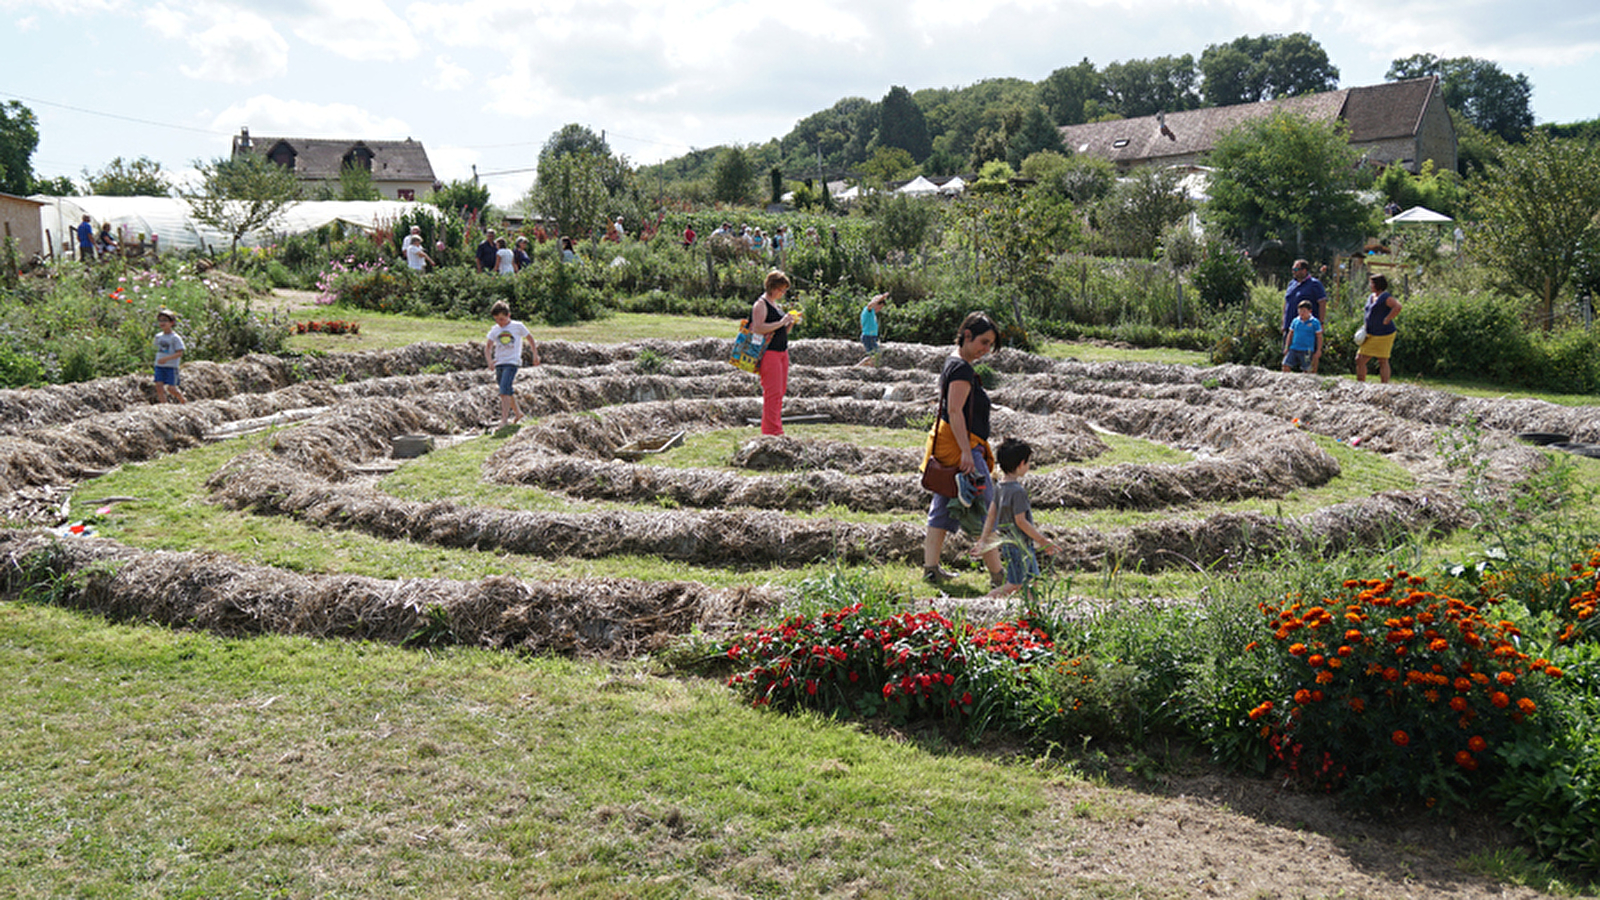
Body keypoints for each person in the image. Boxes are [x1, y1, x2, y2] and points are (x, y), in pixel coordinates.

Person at [922, 311, 1004, 587]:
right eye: (983, 342)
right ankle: (998, 576)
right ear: (966, 335)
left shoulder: (955, 363)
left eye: (990, 345)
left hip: (953, 446)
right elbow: (955, 411)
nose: (986, 349)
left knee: (943, 505)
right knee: (986, 509)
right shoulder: (961, 370)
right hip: (962, 449)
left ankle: (931, 569)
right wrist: (967, 454)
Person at [978, 438, 1058, 599]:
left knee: (1032, 582)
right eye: (1028, 463)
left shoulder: (1000, 486)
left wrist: (983, 539)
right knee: (1014, 585)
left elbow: (991, 514)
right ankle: (983, 602)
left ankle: (1033, 613)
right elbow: (1021, 521)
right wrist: (1043, 540)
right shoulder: (1017, 491)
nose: (1029, 466)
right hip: (1019, 546)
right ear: (1021, 464)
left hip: (1011, 544)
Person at [748, 269, 796, 436]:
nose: (783, 293)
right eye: (781, 289)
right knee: (772, 393)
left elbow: (778, 330)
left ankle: (777, 428)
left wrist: (788, 324)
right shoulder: (760, 304)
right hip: (770, 354)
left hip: (782, 352)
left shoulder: (775, 304)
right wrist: (781, 321)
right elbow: (758, 328)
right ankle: (770, 431)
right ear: (773, 287)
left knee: (780, 392)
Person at [484, 300, 540, 428]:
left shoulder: (517, 326)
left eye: (502, 319)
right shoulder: (495, 329)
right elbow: (488, 347)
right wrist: (489, 361)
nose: (499, 322)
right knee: (506, 389)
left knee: (503, 390)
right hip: (499, 363)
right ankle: (518, 413)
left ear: (508, 315)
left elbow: (530, 338)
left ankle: (504, 420)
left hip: (512, 362)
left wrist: (535, 355)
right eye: (496, 319)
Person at [1355, 274, 1401, 384]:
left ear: (1378, 284)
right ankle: (1360, 385)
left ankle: (1384, 385)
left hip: (1385, 334)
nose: (1370, 285)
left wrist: (1388, 318)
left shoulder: (1386, 297)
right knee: (1359, 359)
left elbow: (1398, 306)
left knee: (1382, 360)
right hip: (1371, 333)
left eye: (1372, 283)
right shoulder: (1371, 296)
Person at [1282, 259, 1327, 339]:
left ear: (1304, 270)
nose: (1293, 271)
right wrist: (1283, 322)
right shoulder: (1291, 284)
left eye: (1296, 269)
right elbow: (1286, 303)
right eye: (1293, 269)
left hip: (1307, 328)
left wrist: (1321, 323)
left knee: (1306, 351)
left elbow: (1322, 303)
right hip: (1290, 327)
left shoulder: (1314, 284)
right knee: (1287, 350)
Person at [152, 309, 187, 404]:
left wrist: (166, 359)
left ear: (171, 322)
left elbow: (179, 353)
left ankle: (183, 400)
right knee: (159, 387)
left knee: (171, 389)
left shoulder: (175, 338)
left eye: (164, 320)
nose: (162, 323)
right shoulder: (158, 336)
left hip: (171, 366)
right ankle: (164, 406)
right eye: (160, 320)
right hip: (159, 366)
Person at [1281, 299, 1323, 373]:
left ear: (1309, 311)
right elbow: (1290, 334)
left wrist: (1319, 350)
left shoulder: (1315, 322)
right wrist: (1287, 346)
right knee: (1285, 365)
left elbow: (1319, 337)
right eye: (1300, 311)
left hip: (1307, 349)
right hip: (1294, 348)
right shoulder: (1295, 321)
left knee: (1307, 369)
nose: (1301, 313)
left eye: (1304, 311)